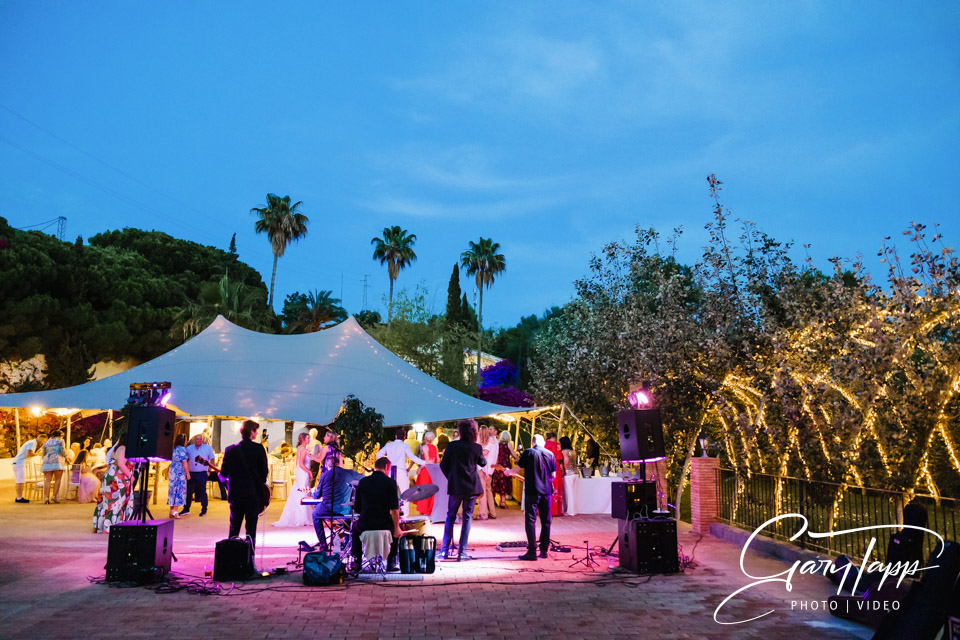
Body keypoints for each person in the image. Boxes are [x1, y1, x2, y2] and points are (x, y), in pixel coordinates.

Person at [439, 418, 486, 561]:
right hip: (471, 487)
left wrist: (452, 477)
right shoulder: (476, 447)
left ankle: (444, 551)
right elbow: (482, 462)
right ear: (473, 432)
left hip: (456, 486)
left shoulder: (452, 446)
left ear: (459, 431)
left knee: (450, 516)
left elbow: (443, 465)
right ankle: (462, 553)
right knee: (467, 519)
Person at [219, 420, 269, 546]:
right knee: (251, 530)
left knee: (234, 528)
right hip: (253, 495)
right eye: (256, 431)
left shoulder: (230, 450)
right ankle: (249, 560)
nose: (257, 434)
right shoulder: (259, 449)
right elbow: (264, 474)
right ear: (251, 432)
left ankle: (231, 561)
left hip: (236, 495)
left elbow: (223, 474)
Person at [351, 456, 402, 573]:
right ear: (386, 467)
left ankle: (357, 561)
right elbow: (394, 509)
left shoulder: (363, 482)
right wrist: (397, 527)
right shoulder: (390, 483)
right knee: (396, 528)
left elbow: (357, 508)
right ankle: (391, 561)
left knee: (354, 526)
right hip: (384, 524)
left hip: (365, 524)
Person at [516, 434, 557, 561]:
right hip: (546, 492)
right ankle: (544, 550)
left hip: (532, 491)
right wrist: (545, 481)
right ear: (543, 443)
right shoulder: (550, 454)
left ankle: (532, 551)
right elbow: (553, 475)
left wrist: (508, 471)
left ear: (533, 442)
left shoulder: (528, 452)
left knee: (530, 520)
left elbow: (517, 469)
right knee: (546, 521)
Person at [311, 451, 363, 548]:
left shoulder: (324, 476)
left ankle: (323, 544)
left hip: (327, 509)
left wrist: (313, 492)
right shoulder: (350, 473)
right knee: (350, 517)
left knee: (315, 515)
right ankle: (347, 541)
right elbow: (364, 479)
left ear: (327, 465)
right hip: (345, 510)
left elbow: (317, 496)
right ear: (339, 463)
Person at [376, 427, 426, 514]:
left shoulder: (389, 445)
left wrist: (386, 461)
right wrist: (425, 463)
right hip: (401, 471)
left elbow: (378, 455)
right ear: (404, 437)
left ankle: (389, 515)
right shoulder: (404, 446)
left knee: (389, 494)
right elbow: (412, 457)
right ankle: (404, 516)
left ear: (395, 436)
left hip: (390, 470)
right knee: (405, 494)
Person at [93, 435, 135, 533]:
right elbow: (121, 464)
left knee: (108, 502)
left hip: (111, 476)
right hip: (118, 479)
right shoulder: (124, 448)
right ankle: (112, 527)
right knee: (116, 502)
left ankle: (104, 527)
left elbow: (109, 463)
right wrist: (130, 476)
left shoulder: (115, 449)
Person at [273, 433, 314, 527]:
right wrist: (309, 472)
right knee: (303, 493)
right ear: (303, 439)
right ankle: (303, 517)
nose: (309, 439)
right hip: (303, 473)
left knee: (300, 492)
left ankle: (300, 516)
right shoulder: (303, 449)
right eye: (308, 438)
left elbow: (296, 463)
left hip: (301, 473)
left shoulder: (300, 448)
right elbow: (300, 464)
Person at [182, 433, 215, 516]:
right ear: (194, 440)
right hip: (192, 472)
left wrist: (209, 471)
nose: (199, 441)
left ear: (202, 440)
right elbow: (185, 460)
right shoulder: (189, 448)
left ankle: (204, 509)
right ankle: (186, 509)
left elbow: (212, 459)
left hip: (202, 472)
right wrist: (186, 472)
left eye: (200, 439)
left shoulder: (208, 448)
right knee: (189, 491)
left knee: (202, 491)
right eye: (197, 439)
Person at [12, 433, 46, 503]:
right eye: (43, 441)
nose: (43, 443)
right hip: (19, 463)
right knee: (20, 481)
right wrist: (38, 454)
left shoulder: (31, 443)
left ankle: (19, 497)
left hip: (19, 463)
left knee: (20, 481)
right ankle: (19, 498)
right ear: (40, 438)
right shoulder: (32, 443)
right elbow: (29, 454)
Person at [413, 431, 439, 515]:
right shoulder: (434, 447)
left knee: (424, 489)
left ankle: (423, 510)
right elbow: (437, 461)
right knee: (431, 490)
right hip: (433, 471)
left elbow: (427, 461)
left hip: (426, 470)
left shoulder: (424, 447)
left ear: (425, 438)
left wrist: (420, 467)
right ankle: (430, 509)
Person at [492, 431, 520, 508]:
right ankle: (503, 502)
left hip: (498, 466)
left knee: (497, 483)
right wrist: (518, 459)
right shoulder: (509, 444)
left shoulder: (497, 444)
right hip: (505, 466)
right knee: (504, 483)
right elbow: (513, 454)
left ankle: (493, 501)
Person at [477, 426, 498, 520]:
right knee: (488, 490)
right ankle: (493, 512)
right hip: (490, 469)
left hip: (484, 469)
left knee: (482, 491)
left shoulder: (486, 443)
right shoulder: (495, 441)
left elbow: (483, 455)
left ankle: (483, 514)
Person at [41, 430, 68, 504]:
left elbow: (43, 453)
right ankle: (54, 497)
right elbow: (62, 451)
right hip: (57, 461)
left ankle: (46, 497)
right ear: (60, 435)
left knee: (47, 480)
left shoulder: (46, 442)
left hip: (47, 461)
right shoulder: (61, 441)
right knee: (58, 479)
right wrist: (66, 457)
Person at [167, 434, 190, 519]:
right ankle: (175, 511)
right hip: (179, 472)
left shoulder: (174, 448)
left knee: (172, 490)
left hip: (172, 471)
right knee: (179, 490)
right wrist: (187, 473)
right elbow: (184, 462)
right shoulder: (182, 449)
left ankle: (171, 510)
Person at [544, 432, 564, 516]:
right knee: (555, 488)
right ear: (552, 437)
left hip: (545, 467)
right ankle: (555, 511)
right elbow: (560, 457)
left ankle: (544, 510)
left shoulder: (543, 444)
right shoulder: (557, 445)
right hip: (555, 466)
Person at [560, 436, 579, 516]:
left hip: (568, 473)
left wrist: (564, 469)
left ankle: (570, 511)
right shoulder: (573, 451)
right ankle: (574, 510)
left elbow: (566, 462)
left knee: (569, 493)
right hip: (576, 473)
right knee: (573, 492)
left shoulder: (564, 452)